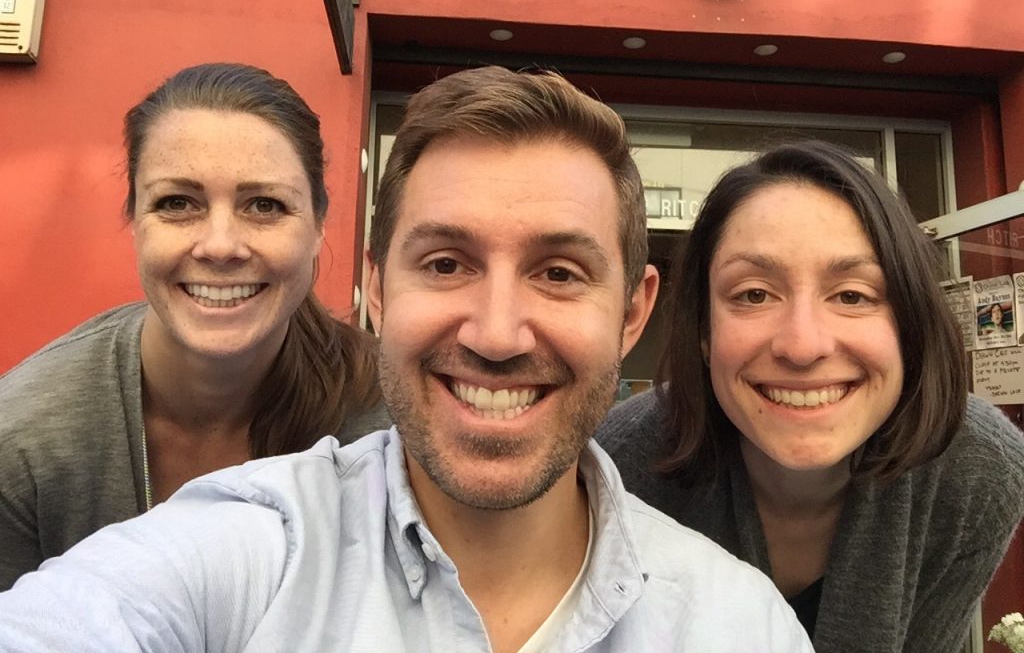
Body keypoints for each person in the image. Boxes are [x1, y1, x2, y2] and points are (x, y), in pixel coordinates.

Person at [0, 66, 814, 652]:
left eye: (558, 273)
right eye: (446, 264)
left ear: (634, 310)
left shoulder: (740, 623)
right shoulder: (247, 548)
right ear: (377, 293)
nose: (497, 335)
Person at [596, 140, 1024, 653]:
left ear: (911, 326)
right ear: (704, 332)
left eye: (852, 296)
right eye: (754, 294)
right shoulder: (614, 470)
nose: (802, 346)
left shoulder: (978, 467)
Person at [0, 63, 389, 591]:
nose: (220, 245)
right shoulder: (24, 443)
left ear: (319, 225)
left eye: (265, 205)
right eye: (177, 203)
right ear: (135, 220)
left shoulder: (389, 417)